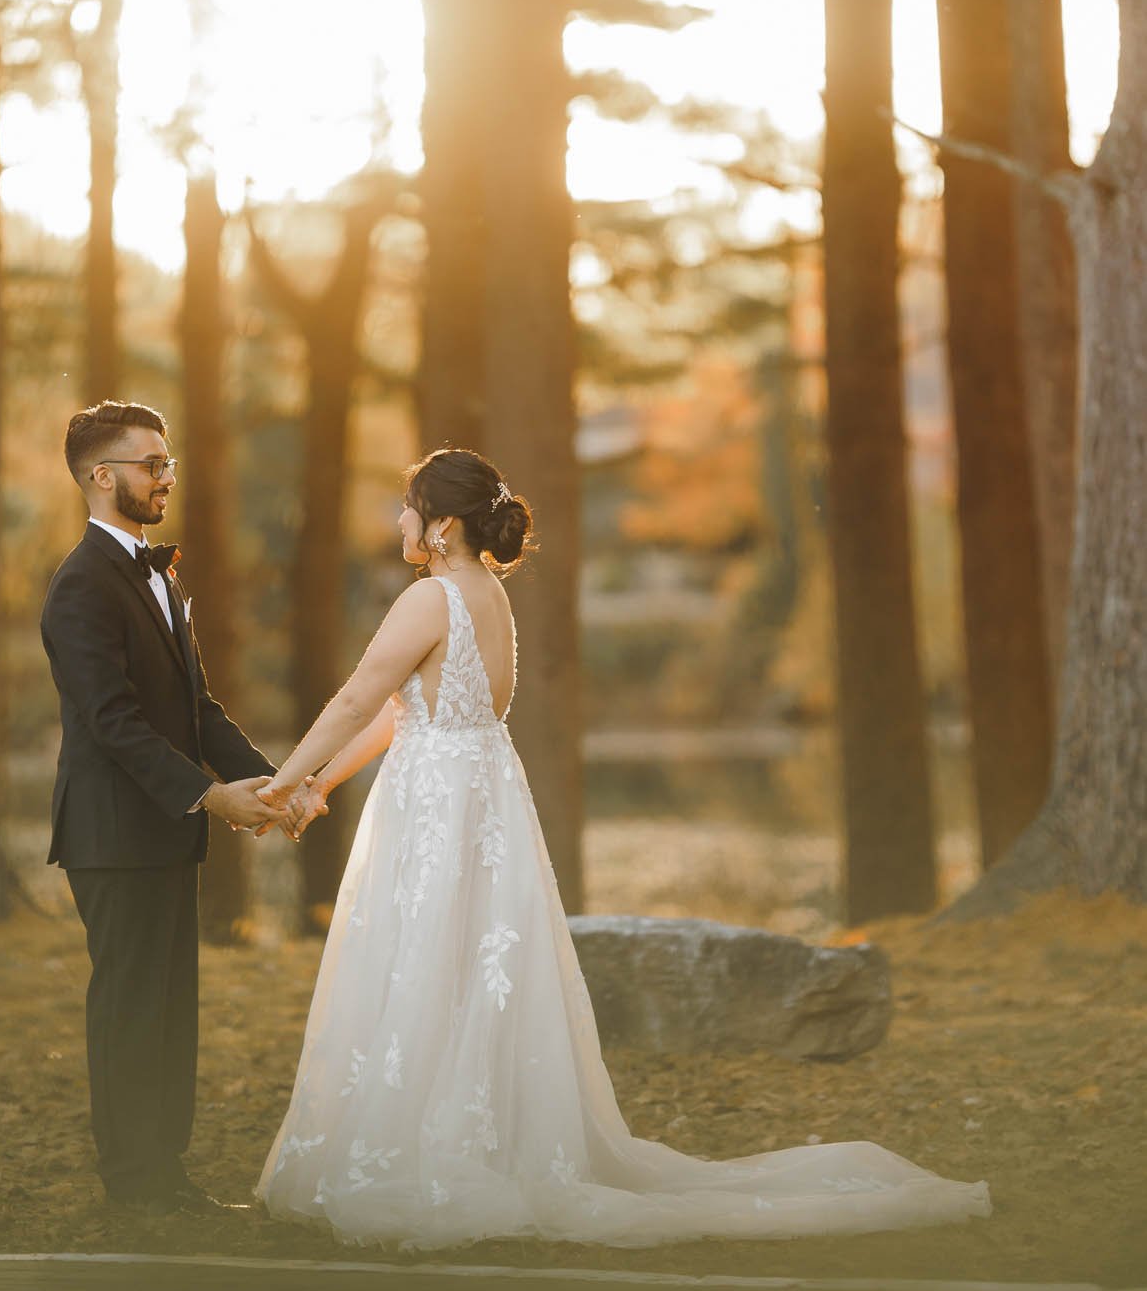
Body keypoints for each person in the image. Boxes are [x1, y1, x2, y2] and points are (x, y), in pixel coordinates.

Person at [255, 446, 991, 1249]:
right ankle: (464, 1133)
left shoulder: (428, 598)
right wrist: (324, 785)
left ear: (441, 525)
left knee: (429, 955)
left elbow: (363, 693)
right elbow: (406, 712)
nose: (397, 520)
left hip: (439, 802)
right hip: (477, 793)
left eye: (407, 507)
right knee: (457, 959)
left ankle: (426, 1148)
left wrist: (278, 781)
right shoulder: (487, 595)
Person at [41, 400, 288, 1216]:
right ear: (101, 476)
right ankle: (133, 1183)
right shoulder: (79, 586)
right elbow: (113, 722)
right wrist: (210, 796)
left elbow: (198, 707)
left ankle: (167, 1175)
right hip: (112, 835)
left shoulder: (160, 575)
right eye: (151, 464)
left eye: (168, 462)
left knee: (170, 1008)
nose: (166, 477)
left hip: (165, 830)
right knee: (129, 1009)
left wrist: (273, 783)